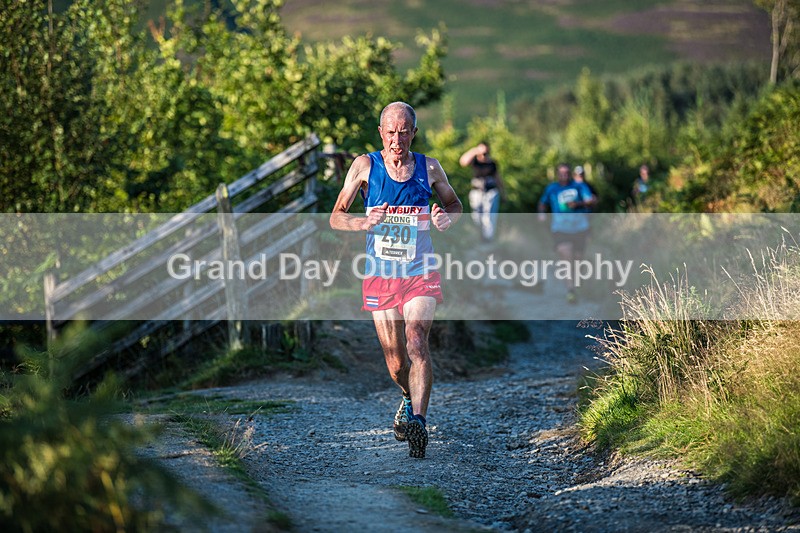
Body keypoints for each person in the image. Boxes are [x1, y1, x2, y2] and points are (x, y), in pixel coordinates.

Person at [329, 101, 462, 459]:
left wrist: (445, 218)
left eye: (404, 131)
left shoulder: (429, 167)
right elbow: (336, 217)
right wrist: (362, 222)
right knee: (396, 362)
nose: (396, 139)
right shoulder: (364, 166)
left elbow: (455, 205)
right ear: (380, 132)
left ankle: (419, 421)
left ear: (414, 133)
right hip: (380, 276)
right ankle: (406, 397)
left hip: (420, 271)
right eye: (390, 131)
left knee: (417, 342)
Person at [537, 163, 595, 303]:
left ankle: (578, 283)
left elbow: (591, 201)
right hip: (560, 229)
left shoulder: (579, 186)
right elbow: (542, 203)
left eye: (566, 173)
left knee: (578, 258)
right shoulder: (552, 188)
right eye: (561, 173)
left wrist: (578, 204)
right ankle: (571, 290)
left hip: (580, 228)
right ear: (557, 174)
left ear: (570, 174)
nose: (564, 175)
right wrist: (541, 214)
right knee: (567, 255)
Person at [459, 142, 504, 242]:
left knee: (488, 217)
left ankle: (488, 239)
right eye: (482, 152)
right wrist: (475, 150)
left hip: (490, 192)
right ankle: (478, 237)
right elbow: (463, 162)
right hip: (477, 192)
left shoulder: (492, 163)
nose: (484, 155)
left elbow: (498, 178)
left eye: (486, 152)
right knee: (476, 216)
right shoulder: (475, 161)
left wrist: (503, 192)